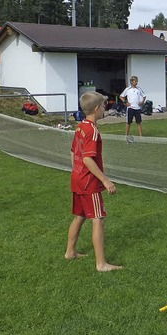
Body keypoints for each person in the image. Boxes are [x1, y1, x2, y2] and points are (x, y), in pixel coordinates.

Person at [65, 91, 122, 272]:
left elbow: (73, 152)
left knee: (80, 216)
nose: (105, 108)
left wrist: (76, 171)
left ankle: (70, 252)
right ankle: (101, 264)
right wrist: (105, 180)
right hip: (88, 182)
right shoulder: (92, 131)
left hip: (77, 178)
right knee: (98, 219)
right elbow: (88, 159)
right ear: (97, 109)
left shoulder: (80, 126)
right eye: (104, 106)